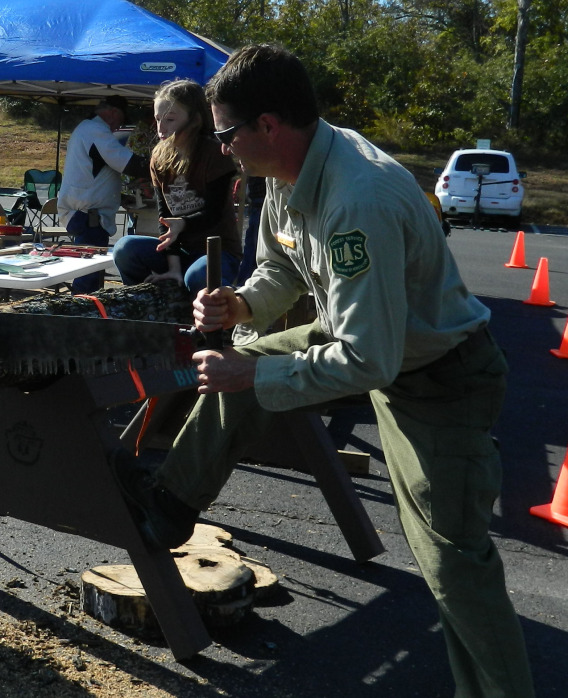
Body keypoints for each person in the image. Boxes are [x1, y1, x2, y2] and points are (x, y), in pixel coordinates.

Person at [114, 45, 534, 697]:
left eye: (225, 133)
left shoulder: (357, 199)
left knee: (452, 563)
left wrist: (254, 379)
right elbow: (282, 269)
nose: (219, 148)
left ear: (270, 126)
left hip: (440, 377)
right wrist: (243, 302)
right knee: (245, 354)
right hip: (376, 344)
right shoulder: (286, 172)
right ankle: (171, 503)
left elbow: (369, 358)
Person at [111, 79, 240, 296]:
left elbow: (214, 213)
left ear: (195, 119)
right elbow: (165, 219)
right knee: (125, 248)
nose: (161, 128)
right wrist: (173, 268)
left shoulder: (215, 153)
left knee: (197, 276)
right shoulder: (159, 157)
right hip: (179, 252)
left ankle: (201, 321)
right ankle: (147, 306)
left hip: (217, 252)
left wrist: (183, 224)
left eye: (169, 119)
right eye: (157, 119)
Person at [57, 95, 149, 293]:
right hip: (87, 216)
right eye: (120, 121)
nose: (118, 128)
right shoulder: (95, 130)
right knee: (88, 276)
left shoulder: (88, 129)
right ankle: (80, 315)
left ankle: (85, 312)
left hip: (86, 214)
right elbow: (125, 162)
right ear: (113, 113)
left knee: (92, 275)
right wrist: (161, 164)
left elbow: (98, 174)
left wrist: (120, 198)